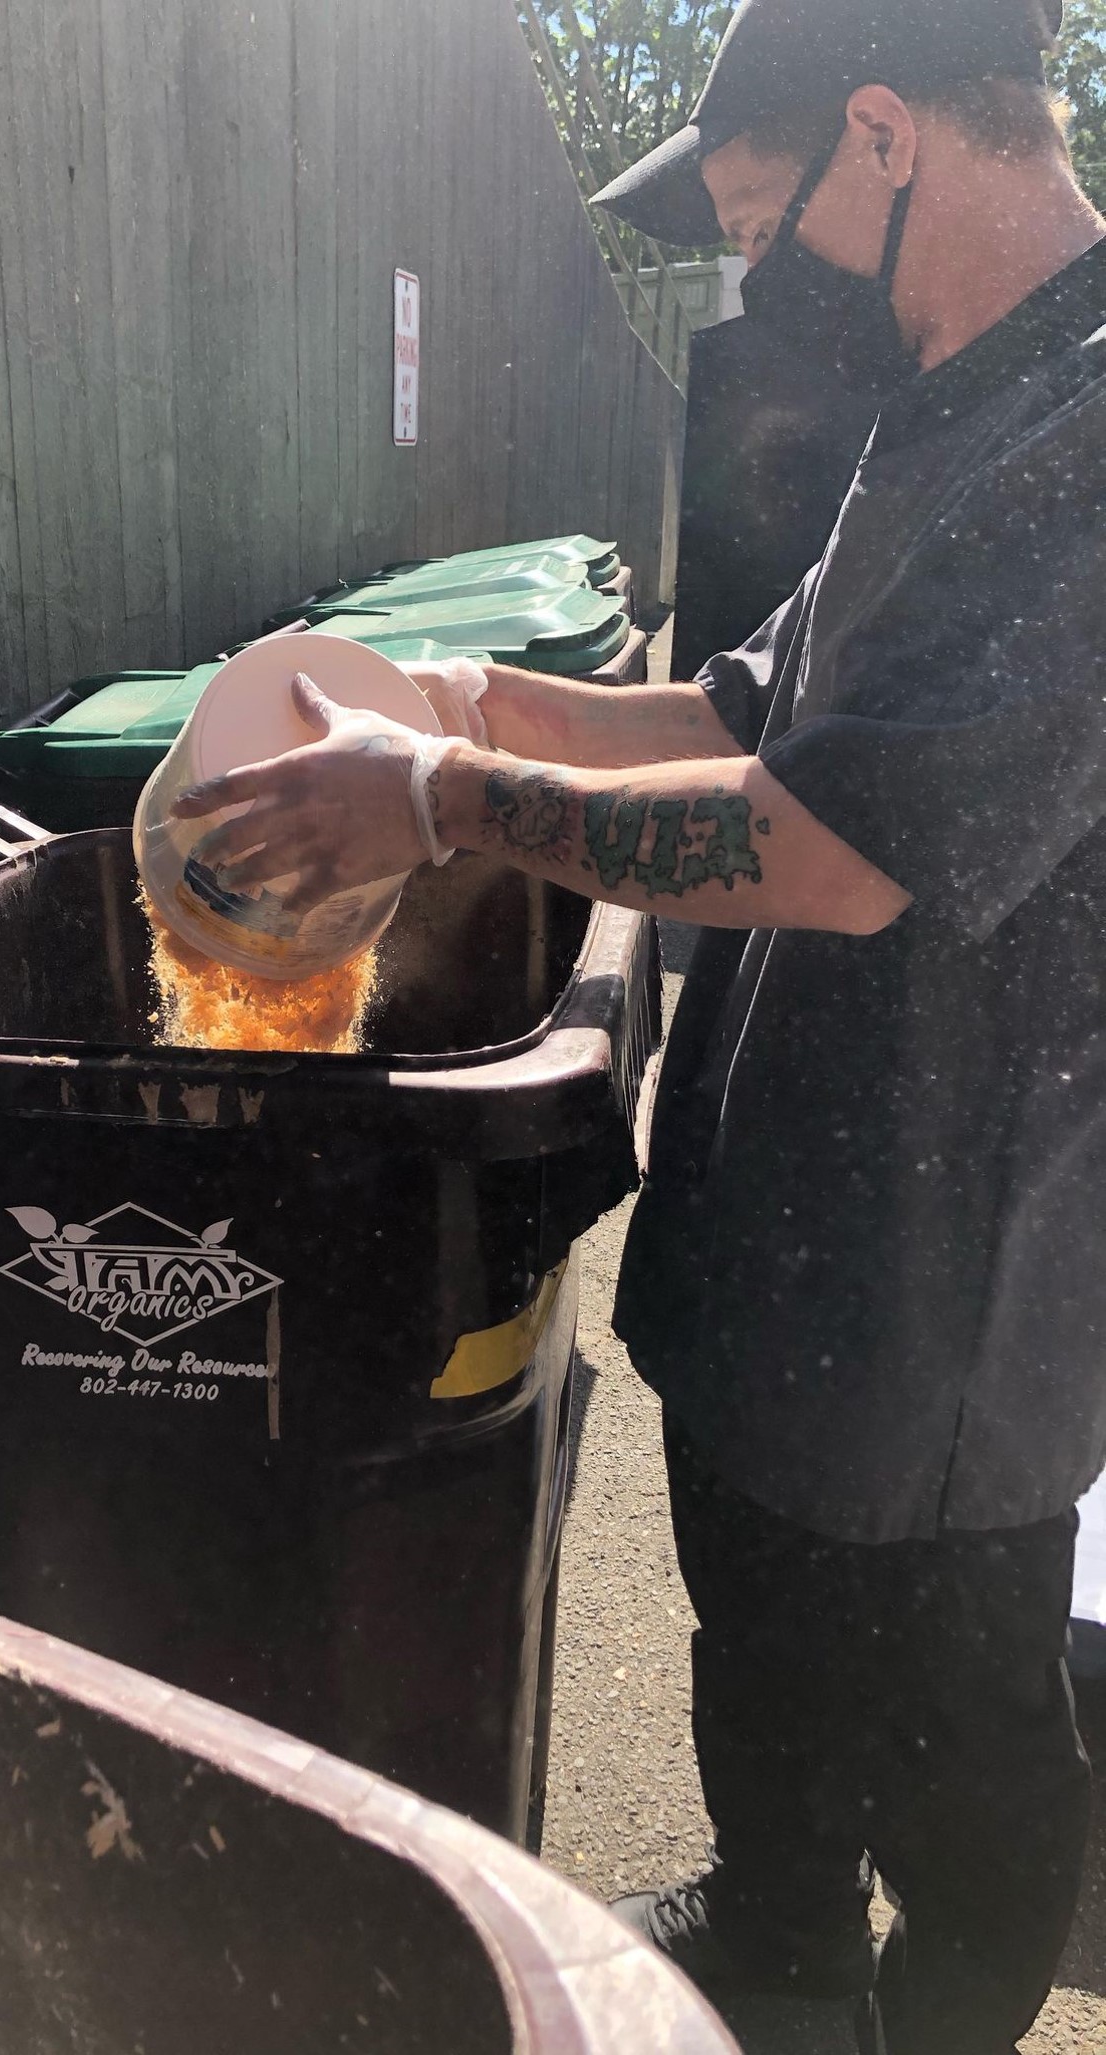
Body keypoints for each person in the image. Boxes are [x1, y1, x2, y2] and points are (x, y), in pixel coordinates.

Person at [174, 2, 1106, 2047]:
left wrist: (434, 809)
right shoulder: (942, 408)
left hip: (954, 1272)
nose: (763, 293)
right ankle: (771, 1931)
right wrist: (462, 706)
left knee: (958, 1736)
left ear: (887, 134)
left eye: (771, 234)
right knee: (756, 1614)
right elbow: (737, 713)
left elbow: (839, 843)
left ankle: (927, 2013)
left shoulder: (1087, 451)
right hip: (794, 1213)